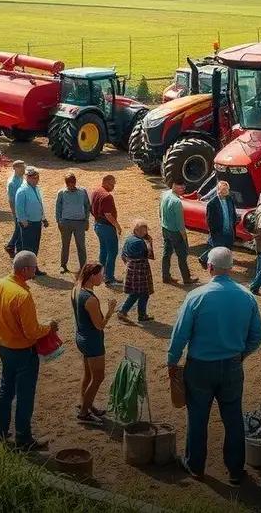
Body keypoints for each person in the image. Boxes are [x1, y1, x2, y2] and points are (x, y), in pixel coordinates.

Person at [168, 247, 261, 486]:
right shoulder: (246, 296)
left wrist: (172, 360)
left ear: (210, 267)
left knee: (198, 417)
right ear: (230, 269)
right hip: (232, 365)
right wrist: (241, 354)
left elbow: (180, 334)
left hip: (200, 366)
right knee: (232, 418)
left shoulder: (196, 296)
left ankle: (196, 466)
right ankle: (234, 470)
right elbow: (258, 335)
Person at [0, 251, 59, 451]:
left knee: (5, 388)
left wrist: (7, 329)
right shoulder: (23, 296)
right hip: (23, 351)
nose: (36, 270)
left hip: (4, 347)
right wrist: (49, 328)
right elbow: (32, 332)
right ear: (26, 269)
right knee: (25, 396)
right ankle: (23, 438)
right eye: (34, 267)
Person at [72, 262, 114, 425]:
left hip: (81, 337)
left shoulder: (76, 289)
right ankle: (84, 413)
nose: (102, 277)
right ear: (92, 276)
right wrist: (110, 310)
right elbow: (100, 325)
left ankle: (86, 404)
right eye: (100, 275)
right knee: (98, 377)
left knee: (88, 375)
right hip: (93, 341)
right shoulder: (90, 300)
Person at [160, 179, 197, 285]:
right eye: (181, 188)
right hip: (175, 232)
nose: (183, 190)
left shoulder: (164, 194)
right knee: (182, 255)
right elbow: (180, 223)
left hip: (165, 228)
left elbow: (160, 211)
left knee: (166, 254)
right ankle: (186, 278)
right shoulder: (177, 202)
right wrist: (184, 236)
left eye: (183, 188)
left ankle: (165, 276)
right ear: (174, 186)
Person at [118, 220, 156, 323]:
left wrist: (128, 264)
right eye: (144, 230)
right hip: (141, 269)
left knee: (137, 293)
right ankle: (126, 312)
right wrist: (148, 243)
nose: (145, 232)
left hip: (131, 267)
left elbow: (123, 255)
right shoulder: (140, 242)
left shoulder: (129, 239)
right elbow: (149, 255)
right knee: (142, 293)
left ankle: (139, 314)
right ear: (138, 230)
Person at [14, 167, 49, 275]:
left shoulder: (37, 189)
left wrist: (43, 218)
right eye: (34, 178)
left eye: (37, 177)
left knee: (35, 246)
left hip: (37, 222)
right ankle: (26, 270)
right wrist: (23, 221)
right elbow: (19, 207)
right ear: (28, 178)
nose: (36, 179)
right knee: (28, 248)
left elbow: (40, 204)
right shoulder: (22, 190)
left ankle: (34, 268)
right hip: (28, 223)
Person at [55, 172, 90, 274]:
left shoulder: (83, 192)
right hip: (66, 222)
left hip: (80, 223)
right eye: (68, 183)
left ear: (75, 182)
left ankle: (83, 267)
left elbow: (87, 206)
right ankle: (63, 265)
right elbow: (58, 207)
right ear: (66, 183)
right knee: (65, 244)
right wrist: (58, 221)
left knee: (81, 246)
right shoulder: (61, 193)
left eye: (72, 183)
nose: (71, 185)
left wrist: (86, 220)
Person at [92, 174, 123, 286]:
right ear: (105, 182)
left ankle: (101, 274)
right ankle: (109, 277)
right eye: (111, 184)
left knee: (103, 250)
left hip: (98, 225)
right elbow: (108, 214)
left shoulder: (96, 191)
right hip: (106, 227)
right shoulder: (107, 196)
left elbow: (91, 208)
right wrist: (117, 226)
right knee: (112, 251)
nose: (113, 186)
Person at [199, 181, 237, 268]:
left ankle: (224, 265)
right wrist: (213, 232)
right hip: (218, 231)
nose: (225, 191)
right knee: (216, 249)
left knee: (226, 249)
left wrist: (234, 223)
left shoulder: (230, 199)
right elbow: (209, 220)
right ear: (218, 190)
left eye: (227, 189)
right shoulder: (212, 204)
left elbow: (233, 213)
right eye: (223, 189)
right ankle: (206, 260)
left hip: (229, 230)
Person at [4, 160, 26, 258]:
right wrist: (15, 213)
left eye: (24, 167)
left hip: (23, 208)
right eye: (21, 167)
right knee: (19, 228)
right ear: (15, 168)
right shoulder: (12, 183)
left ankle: (16, 248)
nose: (24, 169)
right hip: (17, 210)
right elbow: (11, 200)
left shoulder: (22, 178)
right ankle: (10, 245)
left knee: (19, 229)